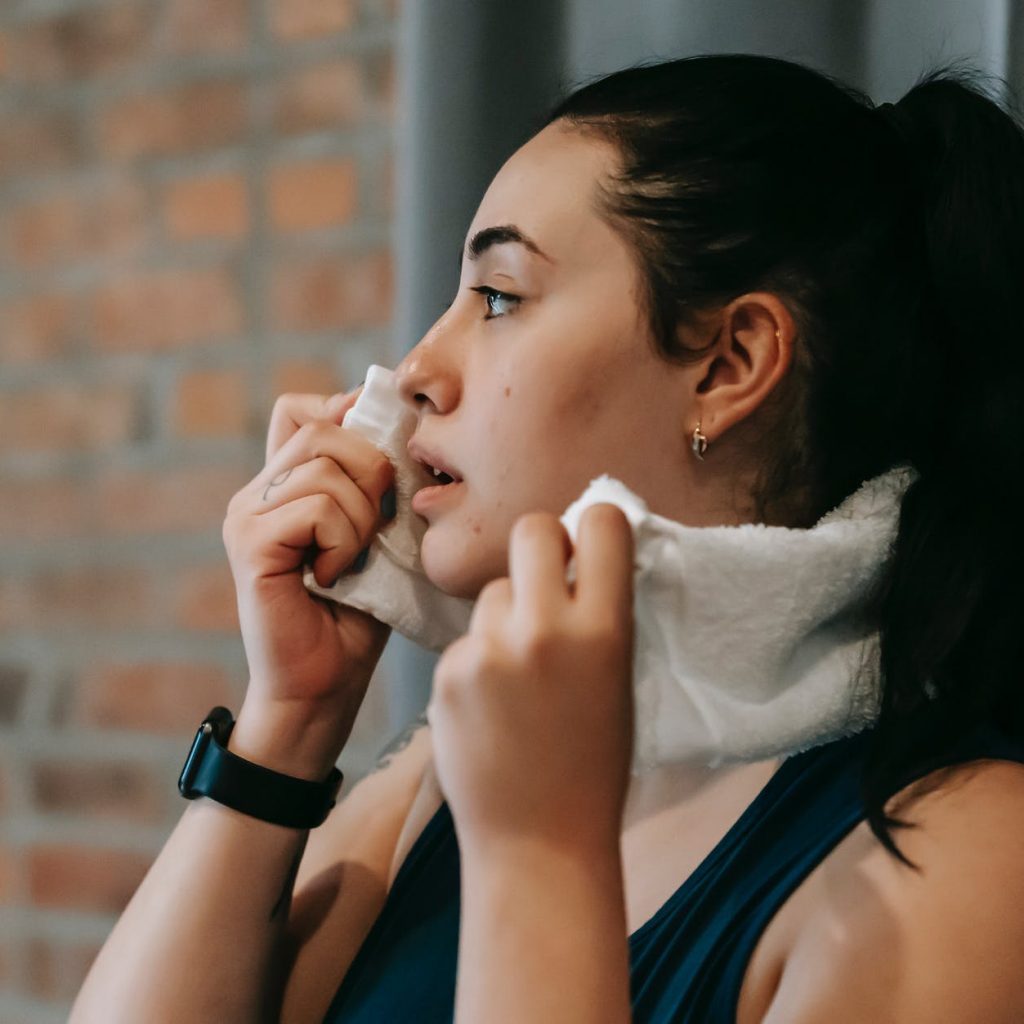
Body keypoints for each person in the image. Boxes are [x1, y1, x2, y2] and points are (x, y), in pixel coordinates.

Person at [71, 53, 1024, 1023]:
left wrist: (538, 853)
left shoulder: (965, 852)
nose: (411, 370)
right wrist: (292, 718)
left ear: (730, 363)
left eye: (497, 296)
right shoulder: (448, 769)